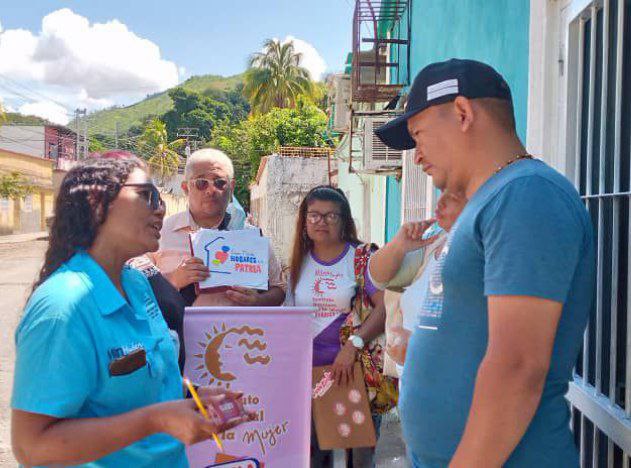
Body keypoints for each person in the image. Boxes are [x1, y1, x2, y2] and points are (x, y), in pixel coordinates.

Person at [374, 58, 595, 466]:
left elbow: (518, 367)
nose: (417, 157)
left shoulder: (527, 194)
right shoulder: (489, 202)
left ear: (462, 113)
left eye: (419, 136)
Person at [11, 158, 250, 467]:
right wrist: (155, 420)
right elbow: (31, 447)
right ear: (98, 203)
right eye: (146, 195)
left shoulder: (138, 283)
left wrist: (192, 400)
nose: (160, 209)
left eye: (160, 198)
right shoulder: (62, 307)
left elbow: (148, 375)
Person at [284, 185, 397, 468]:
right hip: (308, 376)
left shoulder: (360, 258)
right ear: (304, 220)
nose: (321, 222)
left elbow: (385, 308)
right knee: (313, 458)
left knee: (358, 460)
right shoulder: (298, 261)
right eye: (314, 215)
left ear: (344, 220)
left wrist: (352, 346)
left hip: (352, 372)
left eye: (331, 216)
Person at [149, 148, 285, 307]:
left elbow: (280, 289)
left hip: (239, 330)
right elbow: (135, 288)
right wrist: (172, 280)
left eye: (220, 182)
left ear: (231, 187)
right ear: (186, 188)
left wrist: (259, 300)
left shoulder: (251, 238)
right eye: (201, 183)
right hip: (177, 331)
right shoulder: (159, 233)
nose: (211, 190)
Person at [370, 190, 466, 378]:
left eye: (455, 193)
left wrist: (417, 355)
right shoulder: (435, 241)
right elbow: (379, 278)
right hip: (413, 388)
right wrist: (399, 245)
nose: (441, 200)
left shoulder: (484, 250)